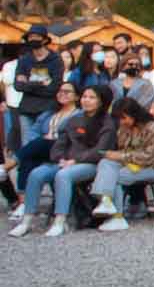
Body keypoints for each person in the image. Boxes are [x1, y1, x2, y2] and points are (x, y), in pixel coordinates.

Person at [12, 86, 114, 237]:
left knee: (63, 175)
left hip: (92, 163)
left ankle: (60, 220)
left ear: (101, 101)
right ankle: (26, 220)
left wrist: (75, 160)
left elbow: (101, 149)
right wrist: (60, 158)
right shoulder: (73, 120)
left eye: (92, 97)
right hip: (65, 161)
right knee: (36, 174)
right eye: (85, 96)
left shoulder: (107, 122)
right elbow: (59, 144)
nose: (86, 100)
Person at [85, 98, 154, 232]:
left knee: (117, 176)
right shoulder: (124, 128)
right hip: (132, 163)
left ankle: (118, 217)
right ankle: (105, 200)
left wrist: (120, 156)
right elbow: (123, 149)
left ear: (134, 114)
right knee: (106, 162)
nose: (121, 122)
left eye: (124, 118)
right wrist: (114, 155)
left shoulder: (153, 128)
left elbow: (149, 157)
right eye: (119, 119)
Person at [9, 25, 64, 150]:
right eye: (30, 37)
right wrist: (41, 83)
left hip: (47, 108)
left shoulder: (55, 60)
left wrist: (28, 83)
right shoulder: (24, 60)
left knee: (42, 144)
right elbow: (18, 86)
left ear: (44, 40)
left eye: (36, 37)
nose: (33, 40)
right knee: (26, 145)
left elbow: (54, 88)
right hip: (26, 109)